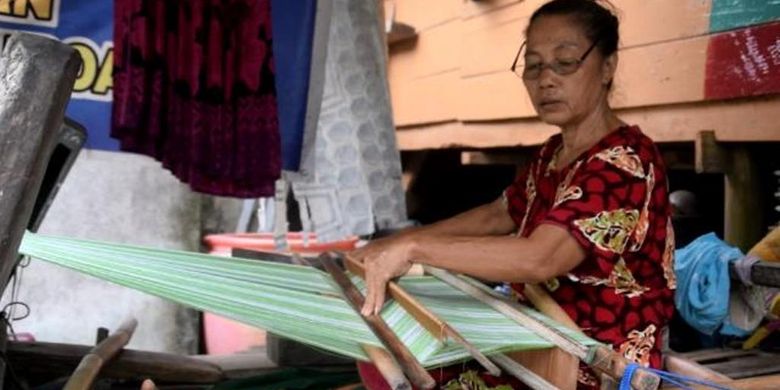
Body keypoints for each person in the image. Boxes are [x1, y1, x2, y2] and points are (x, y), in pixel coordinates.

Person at [348, 0, 676, 388]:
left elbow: (540, 258)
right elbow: (497, 214)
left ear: (607, 67)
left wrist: (413, 251)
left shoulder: (624, 164)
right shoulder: (553, 153)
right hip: (540, 339)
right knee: (389, 346)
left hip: (595, 364)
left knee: (416, 368)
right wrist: (393, 244)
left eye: (565, 62)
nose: (546, 80)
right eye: (534, 65)